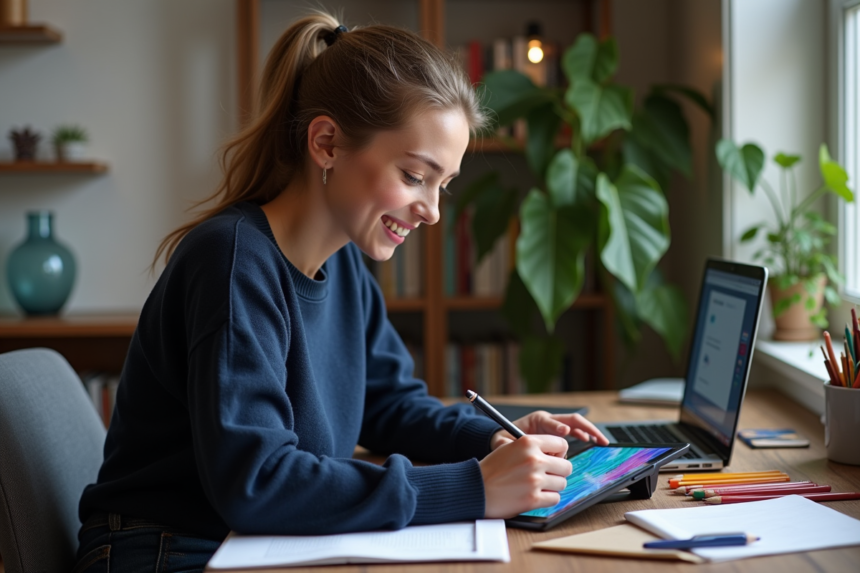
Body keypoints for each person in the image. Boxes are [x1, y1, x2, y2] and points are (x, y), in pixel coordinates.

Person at [74, 12, 608, 573]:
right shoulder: (233, 262)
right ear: (327, 143)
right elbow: (255, 480)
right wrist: (472, 488)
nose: (431, 211)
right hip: (164, 548)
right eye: (413, 176)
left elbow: (389, 403)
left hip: (246, 539)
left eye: (443, 185)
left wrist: (494, 439)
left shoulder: (346, 262)